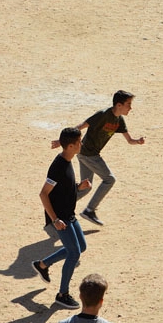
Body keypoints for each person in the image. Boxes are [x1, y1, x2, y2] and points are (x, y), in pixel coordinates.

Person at [52, 90, 145, 226]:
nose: (130, 108)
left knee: (86, 187)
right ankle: (89, 210)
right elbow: (82, 126)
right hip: (88, 154)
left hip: (87, 154)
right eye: (128, 104)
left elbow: (129, 140)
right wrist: (63, 141)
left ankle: (58, 207)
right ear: (119, 105)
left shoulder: (119, 121)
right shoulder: (103, 115)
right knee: (109, 179)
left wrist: (137, 141)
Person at [32, 128, 91, 309]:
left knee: (80, 246)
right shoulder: (58, 166)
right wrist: (55, 220)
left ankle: (43, 265)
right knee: (74, 253)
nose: (82, 144)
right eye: (80, 142)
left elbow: (64, 187)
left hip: (69, 215)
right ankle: (62, 294)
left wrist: (78, 187)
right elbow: (44, 194)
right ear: (71, 145)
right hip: (60, 219)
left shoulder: (68, 160)